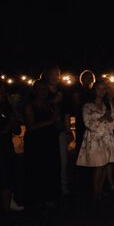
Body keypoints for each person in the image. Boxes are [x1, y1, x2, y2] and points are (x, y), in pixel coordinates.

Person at [76, 80, 114, 200]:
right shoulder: (87, 106)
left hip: (107, 137)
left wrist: (110, 120)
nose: (101, 91)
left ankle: (99, 190)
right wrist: (103, 118)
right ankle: (96, 192)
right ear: (94, 90)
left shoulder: (109, 105)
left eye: (104, 89)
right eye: (99, 89)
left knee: (105, 164)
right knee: (99, 165)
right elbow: (88, 124)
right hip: (95, 139)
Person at [23, 80, 62, 208]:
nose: (43, 92)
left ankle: (50, 196)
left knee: (51, 168)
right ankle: (36, 198)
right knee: (37, 169)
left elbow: (57, 122)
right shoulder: (30, 106)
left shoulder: (51, 106)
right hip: (36, 143)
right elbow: (31, 127)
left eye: (45, 89)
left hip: (50, 141)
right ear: (35, 91)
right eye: (40, 89)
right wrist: (51, 121)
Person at [0, 81, 23, 212]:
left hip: (5, 146)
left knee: (8, 176)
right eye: (0, 91)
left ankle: (7, 206)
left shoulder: (6, 108)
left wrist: (14, 115)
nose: (4, 94)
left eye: (4, 91)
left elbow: (17, 130)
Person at [43, 65, 73, 196]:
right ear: (47, 75)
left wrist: (68, 131)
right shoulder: (42, 92)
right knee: (48, 161)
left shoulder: (63, 93)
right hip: (45, 131)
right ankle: (49, 189)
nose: (56, 76)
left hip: (60, 130)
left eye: (58, 74)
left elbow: (66, 113)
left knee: (63, 160)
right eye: (53, 73)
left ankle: (63, 188)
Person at [74, 69, 96, 153]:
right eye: (87, 78)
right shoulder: (78, 92)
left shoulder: (93, 92)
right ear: (82, 79)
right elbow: (77, 106)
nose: (89, 80)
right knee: (81, 144)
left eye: (90, 78)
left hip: (92, 120)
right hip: (81, 121)